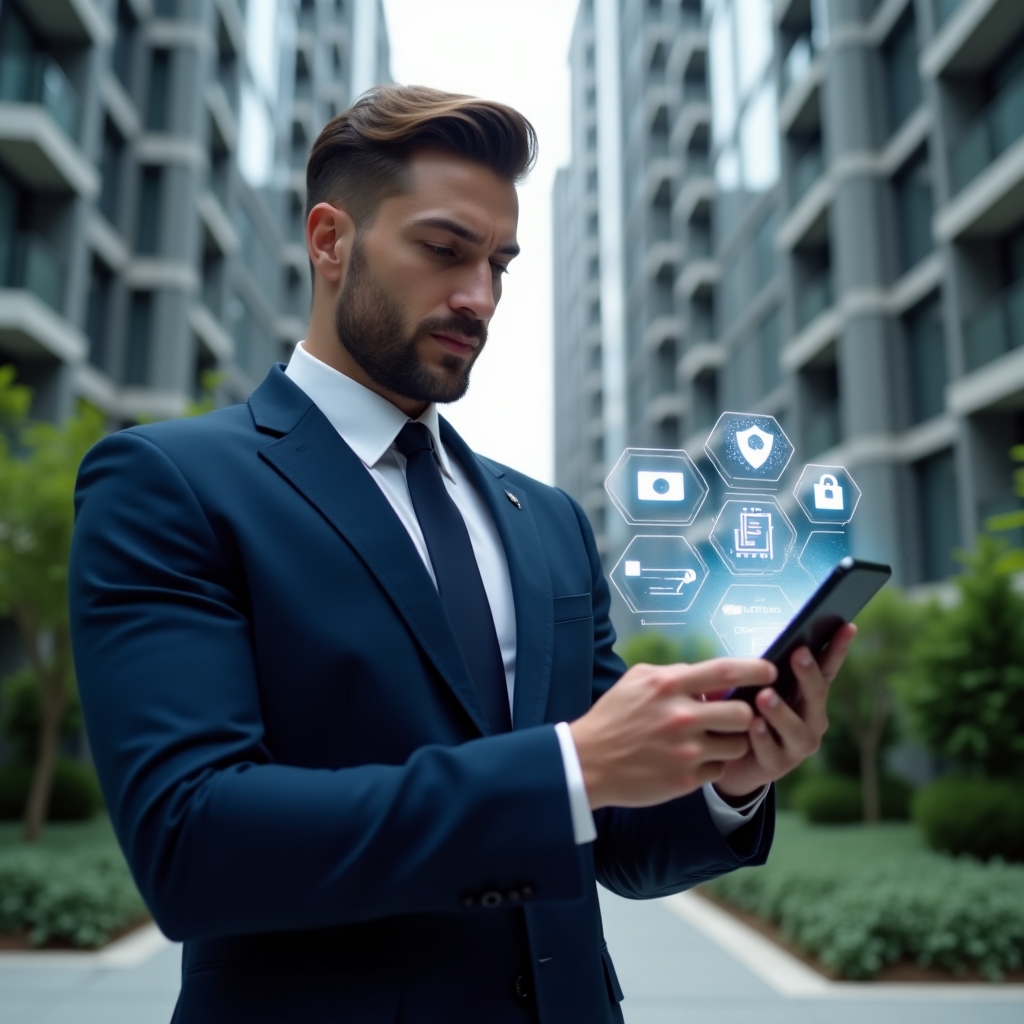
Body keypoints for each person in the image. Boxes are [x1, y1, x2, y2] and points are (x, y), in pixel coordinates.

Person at [69, 86, 855, 1024]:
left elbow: (616, 840)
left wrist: (734, 774)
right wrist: (572, 769)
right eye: (444, 250)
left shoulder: (549, 520)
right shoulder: (170, 483)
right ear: (330, 240)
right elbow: (192, 845)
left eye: (500, 264)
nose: (478, 297)